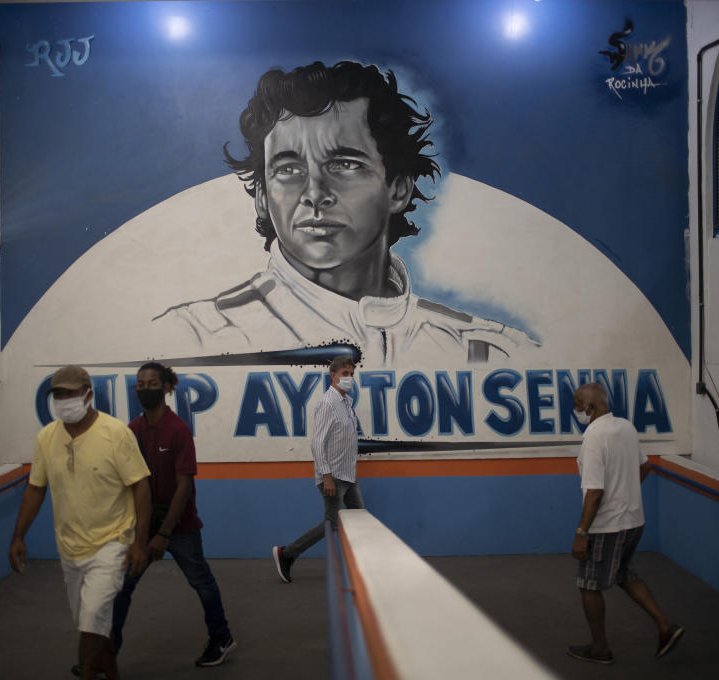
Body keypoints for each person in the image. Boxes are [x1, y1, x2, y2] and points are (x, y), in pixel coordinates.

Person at [154, 60, 538, 366]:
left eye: (344, 164)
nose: (315, 194)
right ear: (261, 198)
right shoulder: (192, 336)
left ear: (398, 189)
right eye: (288, 170)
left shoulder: (493, 350)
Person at [8, 365, 152, 680]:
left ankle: (87, 674)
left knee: (91, 619)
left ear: (88, 395)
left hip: (112, 543)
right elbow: (36, 487)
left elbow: (140, 486)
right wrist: (18, 535)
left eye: (69, 393)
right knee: (94, 622)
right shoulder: (47, 438)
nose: (63, 400)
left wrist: (139, 543)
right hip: (70, 547)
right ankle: (110, 672)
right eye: (58, 394)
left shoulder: (115, 433)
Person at [102, 362, 236, 668]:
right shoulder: (132, 431)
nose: (144, 389)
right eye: (139, 384)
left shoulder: (178, 430)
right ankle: (107, 652)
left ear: (166, 387)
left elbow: (184, 486)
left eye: (151, 383)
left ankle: (222, 637)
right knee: (121, 586)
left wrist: (163, 534)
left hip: (179, 525)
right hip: (143, 524)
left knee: (201, 583)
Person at [568, 383, 684, 664]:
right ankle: (665, 627)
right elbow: (646, 467)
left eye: (577, 405)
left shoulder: (594, 436)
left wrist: (581, 533)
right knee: (624, 574)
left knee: (588, 585)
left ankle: (600, 649)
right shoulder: (626, 427)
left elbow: (594, 492)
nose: (576, 411)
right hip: (634, 521)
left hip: (608, 526)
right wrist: (625, 493)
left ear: (590, 408)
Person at [273, 355, 363, 582]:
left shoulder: (346, 403)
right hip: (333, 476)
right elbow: (317, 442)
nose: (349, 378)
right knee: (332, 522)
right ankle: (287, 553)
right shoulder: (327, 403)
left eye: (351, 374)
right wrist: (327, 477)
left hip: (348, 474)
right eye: (345, 374)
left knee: (359, 518)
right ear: (333, 376)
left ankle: (360, 566)